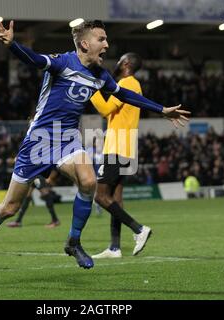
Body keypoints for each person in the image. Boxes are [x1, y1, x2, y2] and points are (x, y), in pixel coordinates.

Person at [0, 19, 190, 275]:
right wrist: (13, 45)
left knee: (89, 182)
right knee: (9, 208)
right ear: (84, 43)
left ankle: (73, 241)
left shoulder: (100, 75)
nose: (107, 44)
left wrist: (161, 110)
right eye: (101, 39)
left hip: (67, 138)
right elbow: (34, 59)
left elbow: (124, 95)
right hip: (40, 141)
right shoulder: (62, 62)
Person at [90, 53, 152, 259]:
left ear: (125, 64)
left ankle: (139, 229)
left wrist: (91, 91)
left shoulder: (126, 82)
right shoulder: (135, 84)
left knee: (100, 196)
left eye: (119, 61)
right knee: (115, 197)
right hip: (127, 148)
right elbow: (112, 112)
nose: (116, 64)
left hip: (117, 147)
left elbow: (105, 109)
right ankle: (115, 247)